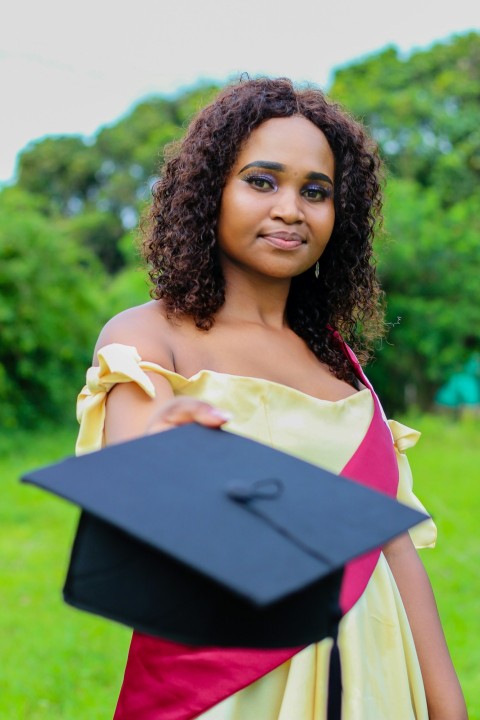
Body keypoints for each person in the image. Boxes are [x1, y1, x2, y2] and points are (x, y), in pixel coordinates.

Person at [76, 78, 467, 719]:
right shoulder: (148, 335)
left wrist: (449, 710)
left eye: (316, 191)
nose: (291, 208)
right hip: (232, 682)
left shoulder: (339, 365)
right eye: (262, 181)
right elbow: (140, 488)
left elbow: (395, 553)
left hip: (371, 681)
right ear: (211, 193)